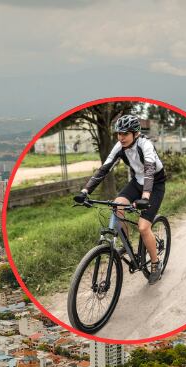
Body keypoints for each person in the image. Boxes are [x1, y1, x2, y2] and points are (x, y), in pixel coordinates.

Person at [77, 114, 166, 284]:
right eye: (119, 133)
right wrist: (85, 191)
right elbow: (104, 169)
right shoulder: (119, 146)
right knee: (118, 205)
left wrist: (145, 197)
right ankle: (127, 246)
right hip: (136, 182)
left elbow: (149, 170)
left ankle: (155, 264)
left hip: (155, 184)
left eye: (125, 134)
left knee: (143, 227)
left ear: (136, 133)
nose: (121, 137)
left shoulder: (145, 145)